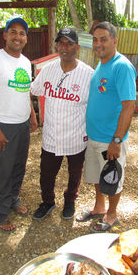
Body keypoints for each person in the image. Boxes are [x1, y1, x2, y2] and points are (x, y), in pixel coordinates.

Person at [76, 21, 137, 232]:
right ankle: (99, 207)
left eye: (103, 39)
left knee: (112, 178)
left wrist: (117, 140)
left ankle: (112, 215)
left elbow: (129, 106)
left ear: (114, 41)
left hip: (110, 139)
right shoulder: (102, 65)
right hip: (94, 136)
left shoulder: (122, 66)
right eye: (95, 40)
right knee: (96, 175)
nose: (98, 43)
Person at [0, 17, 38, 231]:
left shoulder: (24, 61)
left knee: (18, 166)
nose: (17, 37)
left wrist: (31, 115)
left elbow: (25, 91)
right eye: (13, 32)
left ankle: (13, 199)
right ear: (5, 35)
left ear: (26, 39)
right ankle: (0, 213)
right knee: (2, 170)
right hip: (3, 125)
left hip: (22, 125)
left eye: (22, 33)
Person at [30, 27, 94, 221]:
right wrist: (32, 114)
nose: (64, 47)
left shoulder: (88, 74)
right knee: (46, 175)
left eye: (69, 43)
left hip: (76, 135)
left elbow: (96, 106)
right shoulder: (48, 70)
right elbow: (32, 90)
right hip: (51, 135)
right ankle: (48, 202)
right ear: (56, 45)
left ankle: (70, 201)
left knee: (74, 175)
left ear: (77, 48)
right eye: (61, 43)